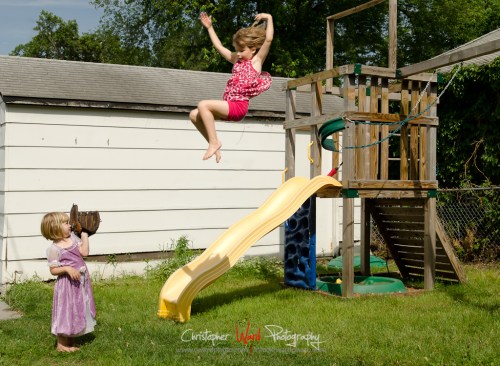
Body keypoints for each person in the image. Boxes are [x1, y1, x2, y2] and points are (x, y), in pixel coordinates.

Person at [190, 12, 274, 163]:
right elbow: (219, 47)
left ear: (253, 49)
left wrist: (269, 18)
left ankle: (214, 142)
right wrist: (209, 28)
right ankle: (213, 142)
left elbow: (268, 40)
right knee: (194, 115)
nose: (239, 54)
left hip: (238, 106)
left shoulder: (256, 61)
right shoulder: (236, 60)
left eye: (242, 50)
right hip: (229, 106)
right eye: (237, 50)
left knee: (203, 104)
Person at [41, 212, 96, 352]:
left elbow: (84, 252)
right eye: (65, 223)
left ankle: (70, 338)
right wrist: (66, 268)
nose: (69, 225)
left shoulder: (72, 238)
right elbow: (53, 270)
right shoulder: (54, 249)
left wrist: (84, 234)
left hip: (80, 282)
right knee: (65, 310)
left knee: (77, 308)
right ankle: (61, 345)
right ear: (55, 228)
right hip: (66, 286)